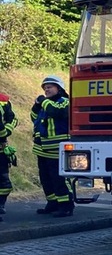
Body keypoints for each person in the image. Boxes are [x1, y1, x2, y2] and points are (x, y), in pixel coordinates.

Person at [31, 75, 73, 218]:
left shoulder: (65, 102)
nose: (46, 89)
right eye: (45, 88)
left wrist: (43, 101)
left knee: (59, 178)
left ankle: (66, 205)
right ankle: (52, 203)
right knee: (46, 178)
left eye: (50, 87)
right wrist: (36, 106)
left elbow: (58, 112)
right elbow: (34, 118)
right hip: (42, 149)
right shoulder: (45, 104)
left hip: (58, 149)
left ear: (59, 88)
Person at [0, 93, 19, 222]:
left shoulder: (3, 100)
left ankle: (0, 204)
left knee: (4, 183)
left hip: (1, 149)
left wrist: (6, 131)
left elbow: (12, 119)